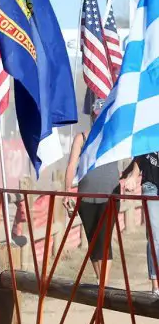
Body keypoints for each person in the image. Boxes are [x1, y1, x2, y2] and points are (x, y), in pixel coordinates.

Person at [64, 98, 120, 286]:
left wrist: (132, 174)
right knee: (93, 241)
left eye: (103, 114)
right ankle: (101, 281)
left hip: (110, 195)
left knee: (104, 240)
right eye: (97, 114)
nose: (99, 118)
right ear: (92, 115)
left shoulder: (114, 135)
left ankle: (103, 286)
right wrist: (67, 192)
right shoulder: (82, 137)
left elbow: (134, 150)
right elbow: (72, 164)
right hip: (86, 196)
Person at [123, 151, 159, 295]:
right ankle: (156, 285)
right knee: (154, 234)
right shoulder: (148, 129)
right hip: (150, 185)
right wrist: (133, 176)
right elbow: (140, 151)